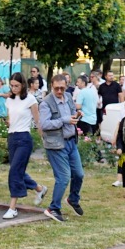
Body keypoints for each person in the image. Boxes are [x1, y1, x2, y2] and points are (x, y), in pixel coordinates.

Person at [39, 73, 83, 221]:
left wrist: (77, 115)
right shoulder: (46, 103)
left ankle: (73, 199)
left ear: (66, 87)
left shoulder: (69, 97)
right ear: (51, 86)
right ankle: (53, 208)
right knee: (63, 177)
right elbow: (44, 125)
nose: (59, 91)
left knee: (79, 174)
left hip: (71, 142)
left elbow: (71, 115)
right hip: (56, 145)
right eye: (56, 88)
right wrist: (64, 120)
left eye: (62, 88)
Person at [2, 73, 43, 219]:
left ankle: (12, 207)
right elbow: (10, 119)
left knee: (14, 172)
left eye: (16, 86)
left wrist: (43, 137)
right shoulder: (9, 101)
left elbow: (38, 121)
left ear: (23, 85)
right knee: (17, 170)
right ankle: (39, 188)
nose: (13, 88)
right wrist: (7, 122)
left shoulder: (30, 99)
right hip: (12, 137)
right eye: (12, 85)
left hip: (24, 138)